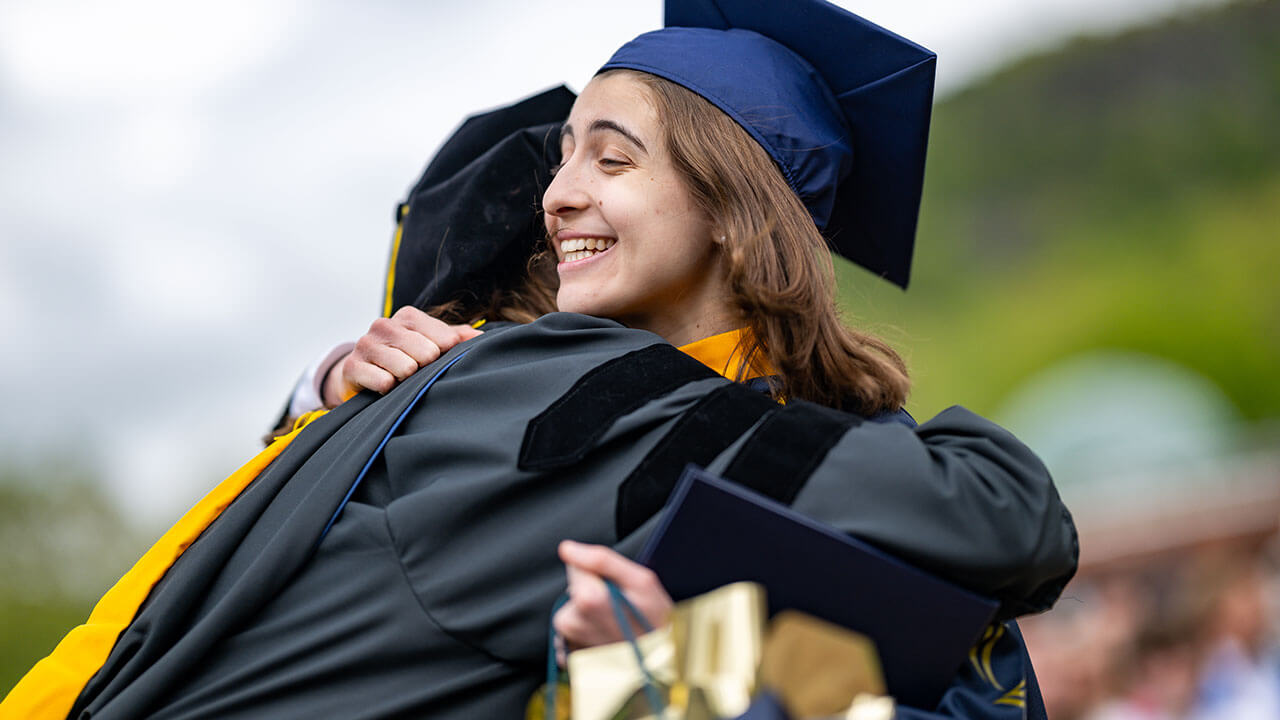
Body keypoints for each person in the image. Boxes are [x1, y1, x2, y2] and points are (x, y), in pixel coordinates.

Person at [4, 2, 1074, 718]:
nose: (557, 192)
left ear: (731, 212)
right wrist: (329, 393)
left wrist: (677, 679)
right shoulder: (519, 387)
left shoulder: (635, 421)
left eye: (610, 157)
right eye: (562, 155)